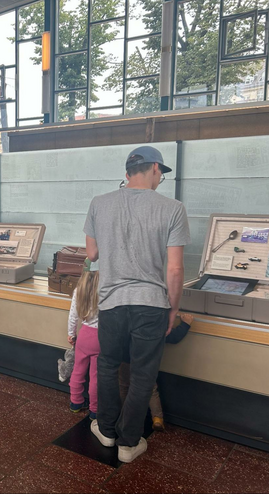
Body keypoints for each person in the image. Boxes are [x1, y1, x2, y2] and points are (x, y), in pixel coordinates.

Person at [83, 145, 190, 463]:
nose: (161, 179)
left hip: (112, 302)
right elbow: (174, 268)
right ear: (156, 168)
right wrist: (172, 308)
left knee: (107, 365)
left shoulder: (99, 203)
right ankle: (129, 443)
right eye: (161, 174)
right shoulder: (173, 208)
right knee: (143, 375)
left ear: (128, 173)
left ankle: (105, 430)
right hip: (151, 305)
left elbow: (92, 254)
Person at [118, 312, 194, 432]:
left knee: (124, 387)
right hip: (148, 362)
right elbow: (174, 337)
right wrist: (185, 324)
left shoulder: (128, 318)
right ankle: (157, 418)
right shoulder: (157, 325)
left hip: (125, 359)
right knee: (151, 389)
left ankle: (123, 413)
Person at [66, 258, 100, 421]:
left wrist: (71, 334)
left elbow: (73, 316)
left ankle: (75, 403)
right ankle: (94, 410)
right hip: (101, 337)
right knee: (96, 376)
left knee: (78, 370)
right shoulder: (105, 291)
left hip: (84, 335)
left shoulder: (78, 290)